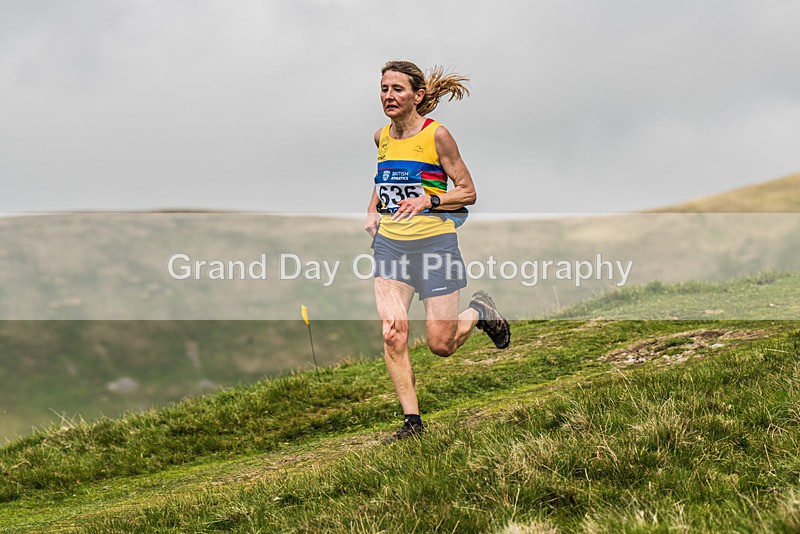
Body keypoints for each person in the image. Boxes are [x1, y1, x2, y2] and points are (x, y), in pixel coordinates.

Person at [365, 60, 511, 443]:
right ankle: (412, 423)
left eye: (397, 89)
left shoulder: (438, 136)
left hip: (434, 245)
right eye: (384, 88)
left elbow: (467, 191)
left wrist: (428, 200)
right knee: (392, 332)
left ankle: (480, 311)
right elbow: (385, 178)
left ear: (418, 95)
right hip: (391, 246)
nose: (388, 96)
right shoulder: (380, 136)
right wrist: (371, 210)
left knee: (440, 345)